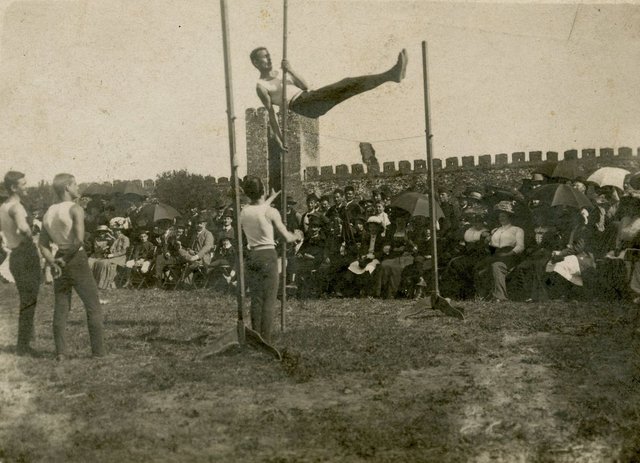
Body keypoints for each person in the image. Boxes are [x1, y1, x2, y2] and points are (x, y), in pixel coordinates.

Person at [251, 47, 408, 150]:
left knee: (348, 85)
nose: (269, 59)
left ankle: (392, 75)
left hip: (309, 97)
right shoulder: (261, 85)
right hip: (301, 105)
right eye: (264, 57)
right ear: (256, 62)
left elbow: (305, 86)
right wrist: (279, 139)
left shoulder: (281, 71)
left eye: (269, 55)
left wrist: (290, 69)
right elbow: (271, 114)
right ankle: (391, 75)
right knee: (347, 83)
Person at [38, 173, 105, 360]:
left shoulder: (49, 212)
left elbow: (42, 245)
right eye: (75, 184)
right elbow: (78, 241)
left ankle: (60, 352)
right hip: (75, 258)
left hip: (59, 257)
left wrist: (54, 262)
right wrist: (64, 260)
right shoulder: (75, 209)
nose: (78, 188)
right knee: (93, 306)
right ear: (67, 187)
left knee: (61, 306)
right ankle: (98, 353)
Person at [240, 176, 298, 342]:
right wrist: (297, 235)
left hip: (252, 255)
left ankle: (256, 335)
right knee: (269, 299)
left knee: (256, 298)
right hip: (267, 255)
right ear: (262, 191)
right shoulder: (271, 212)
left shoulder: (243, 211)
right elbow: (286, 237)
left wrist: (271, 198)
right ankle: (265, 338)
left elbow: (258, 209)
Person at [0, 171, 41, 356]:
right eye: (23, 184)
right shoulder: (17, 207)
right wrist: (32, 233)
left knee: (26, 300)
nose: (27, 186)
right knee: (29, 301)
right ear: (14, 187)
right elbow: (23, 228)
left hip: (15, 256)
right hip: (25, 254)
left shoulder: (3, 206)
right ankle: (23, 346)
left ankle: (25, 342)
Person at [474, 201, 525, 302]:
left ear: (510, 217)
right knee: (479, 266)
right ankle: (482, 295)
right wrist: (487, 242)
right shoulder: (495, 230)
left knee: (496, 266)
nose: (501, 218)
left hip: (510, 256)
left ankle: (500, 296)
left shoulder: (517, 230)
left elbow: (520, 247)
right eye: (500, 216)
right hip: (496, 254)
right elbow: (491, 246)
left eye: (504, 216)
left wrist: (508, 254)